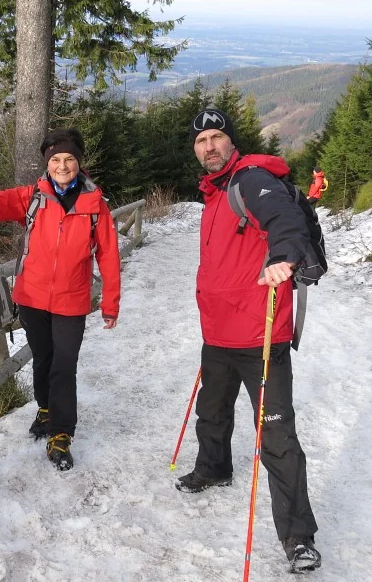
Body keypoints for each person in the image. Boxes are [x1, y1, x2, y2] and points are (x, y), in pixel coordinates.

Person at [178, 108, 320, 573]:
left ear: (231, 142)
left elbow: (283, 218)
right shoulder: (215, 192)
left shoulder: (251, 180)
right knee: (212, 410)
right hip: (218, 332)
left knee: (276, 435)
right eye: (202, 141)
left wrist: (284, 256)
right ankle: (214, 468)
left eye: (216, 137)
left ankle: (298, 537)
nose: (209, 146)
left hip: (260, 335)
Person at [0, 128, 121, 471]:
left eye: (69, 159)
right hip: (32, 298)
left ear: (79, 163)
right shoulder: (32, 197)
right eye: (56, 159)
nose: (62, 166)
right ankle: (45, 408)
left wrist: (110, 302)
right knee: (43, 359)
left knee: (64, 364)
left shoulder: (95, 205)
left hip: (72, 301)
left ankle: (61, 432)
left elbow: (109, 255)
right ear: (47, 163)